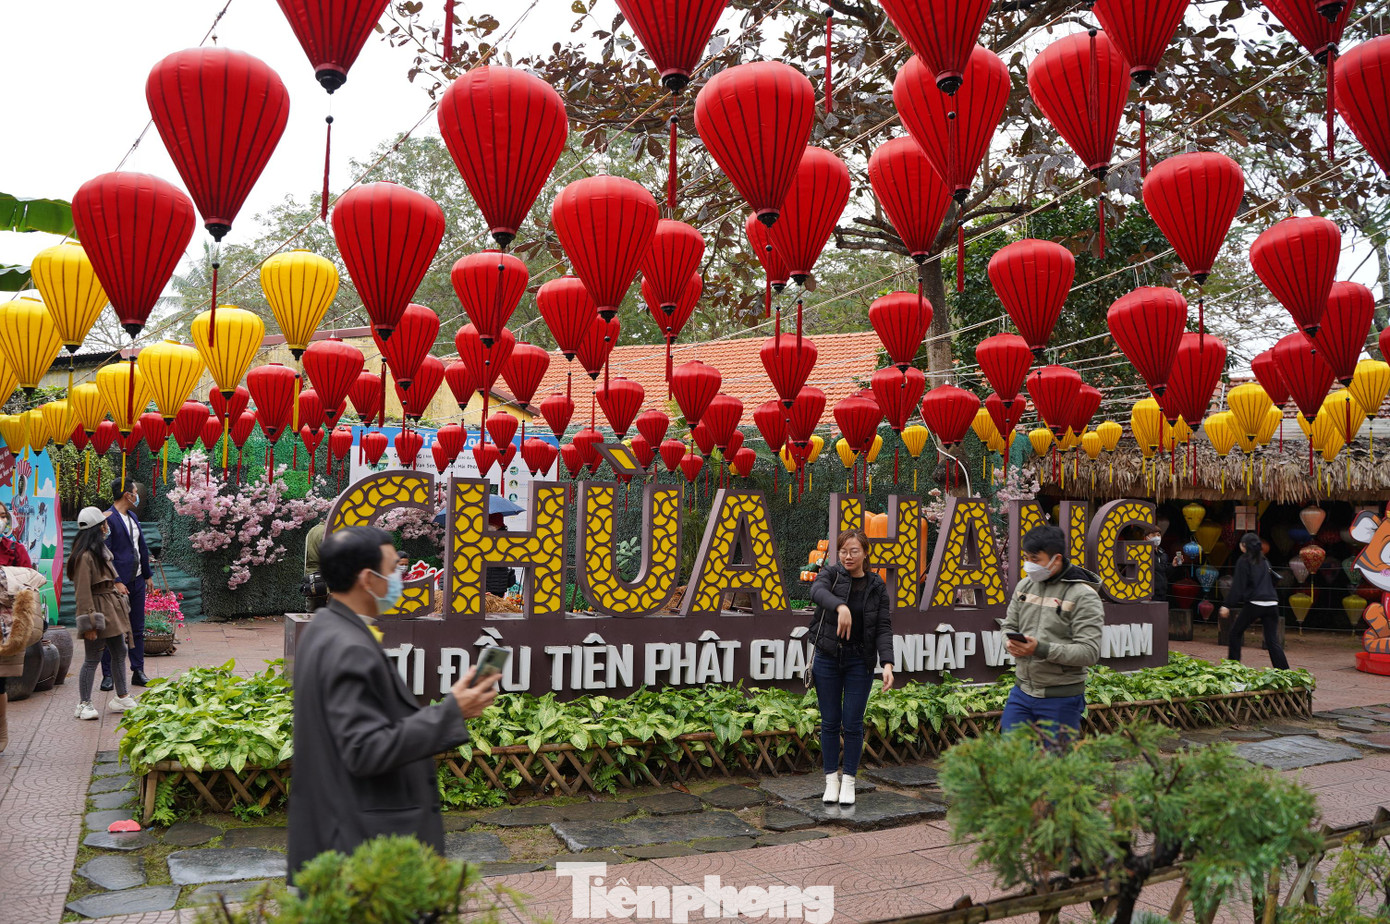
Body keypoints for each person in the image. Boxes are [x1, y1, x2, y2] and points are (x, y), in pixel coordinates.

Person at [287, 525, 500, 883]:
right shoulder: (348, 647)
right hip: (364, 852)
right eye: (392, 570)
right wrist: (452, 712)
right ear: (368, 579)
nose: (400, 578)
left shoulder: (324, 627)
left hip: (339, 832)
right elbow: (364, 749)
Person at [807, 528, 895, 806]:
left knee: (853, 724)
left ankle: (849, 782)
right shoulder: (831, 574)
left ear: (865, 553)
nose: (848, 556)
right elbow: (816, 591)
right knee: (830, 722)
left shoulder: (876, 585)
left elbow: (883, 626)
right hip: (828, 658)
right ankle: (831, 780)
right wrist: (840, 607)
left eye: (854, 551)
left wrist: (888, 663)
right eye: (843, 551)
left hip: (860, 660)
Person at [1000, 525, 1105, 741]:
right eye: (1026, 558)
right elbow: (1008, 626)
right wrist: (1009, 643)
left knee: (1056, 761)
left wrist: (1039, 649)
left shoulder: (1084, 596)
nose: (1028, 564)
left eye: (1035, 559)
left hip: (1061, 698)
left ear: (1056, 559)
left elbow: (1089, 652)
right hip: (1021, 691)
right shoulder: (1024, 586)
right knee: (1011, 757)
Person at [70, 506, 135, 720]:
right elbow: (82, 592)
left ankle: (122, 696)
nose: (107, 526)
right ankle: (84, 704)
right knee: (92, 658)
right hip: (97, 609)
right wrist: (89, 624)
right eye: (104, 523)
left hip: (110, 609)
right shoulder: (85, 556)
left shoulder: (99, 551)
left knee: (120, 650)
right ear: (98, 527)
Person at [101, 479, 153, 690]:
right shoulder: (107, 518)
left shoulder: (133, 517)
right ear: (127, 495)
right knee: (112, 629)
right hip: (118, 584)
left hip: (137, 580)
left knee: (137, 628)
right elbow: (105, 553)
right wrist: (116, 581)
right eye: (135, 492)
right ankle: (108, 675)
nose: (137, 496)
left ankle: (138, 671)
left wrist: (147, 575)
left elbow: (141, 547)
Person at [1219, 532, 1290, 669]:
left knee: (1235, 633)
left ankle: (1233, 668)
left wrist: (1227, 605)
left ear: (1244, 545)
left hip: (1255, 603)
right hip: (1272, 603)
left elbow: (1238, 586)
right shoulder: (1264, 560)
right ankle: (1285, 672)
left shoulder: (1244, 560)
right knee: (1272, 641)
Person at [1141, 523, 1172, 604]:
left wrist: (1173, 565)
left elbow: (1165, 572)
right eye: (1153, 535)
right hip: (1149, 594)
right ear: (1146, 537)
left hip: (1162, 592)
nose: (1156, 537)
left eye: (1158, 535)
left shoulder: (1163, 554)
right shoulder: (1143, 553)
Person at [303, 521, 327, 612]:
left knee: (311, 610)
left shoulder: (312, 530)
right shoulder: (327, 531)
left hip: (310, 576)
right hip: (323, 576)